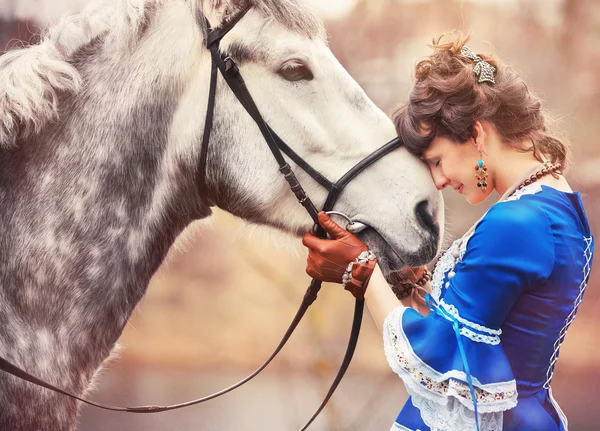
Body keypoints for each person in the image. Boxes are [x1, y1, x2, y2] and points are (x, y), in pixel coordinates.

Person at [302, 33, 594, 431]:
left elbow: (441, 352)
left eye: (437, 160)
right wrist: (412, 286)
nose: (437, 180)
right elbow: (486, 325)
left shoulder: (518, 222)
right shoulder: (556, 206)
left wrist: (362, 271)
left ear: (476, 135)